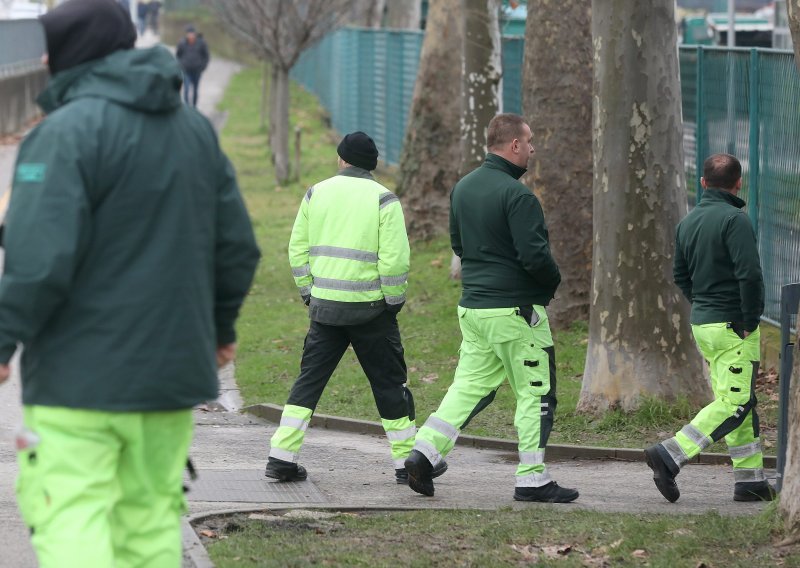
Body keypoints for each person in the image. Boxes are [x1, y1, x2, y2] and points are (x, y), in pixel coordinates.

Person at [0, 1, 261, 566]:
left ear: (71, 53)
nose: (43, 57)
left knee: (71, 515)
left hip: (79, 382)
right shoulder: (193, 131)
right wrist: (218, 329)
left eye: (50, 44)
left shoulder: (62, 135)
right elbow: (237, 247)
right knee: (149, 525)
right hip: (169, 382)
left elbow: (39, 258)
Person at [404, 113, 578, 503]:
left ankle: (424, 453)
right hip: (516, 312)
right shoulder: (519, 196)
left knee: (468, 387)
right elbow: (534, 257)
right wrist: (551, 283)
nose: (533, 148)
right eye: (529, 141)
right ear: (514, 145)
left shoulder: (463, 188)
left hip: (474, 309)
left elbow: (459, 245)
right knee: (537, 394)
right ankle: (532, 478)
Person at [266, 131, 446, 485]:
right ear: (372, 165)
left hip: (325, 311)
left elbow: (296, 249)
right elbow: (394, 261)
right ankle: (404, 461)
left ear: (341, 159)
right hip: (371, 312)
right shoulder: (384, 199)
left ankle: (281, 457)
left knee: (308, 383)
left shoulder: (316, 193)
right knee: (389, 385)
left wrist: (309, 293)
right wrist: (392, 302)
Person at [644, 154, 774, 503]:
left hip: (704, 324)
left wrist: (702, 304)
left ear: (703, 183)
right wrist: (749, 320)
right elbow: (750, 275)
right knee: (736, 402)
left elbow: (680, 276)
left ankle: (750, 481)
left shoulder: (688, 223)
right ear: (738, 184)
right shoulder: (736, 220)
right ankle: (671, 454)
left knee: (738, 400)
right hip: (734, 326)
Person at [176, 24, 210, 107]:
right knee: (186, 89)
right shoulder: (182, 43)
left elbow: (206, 56)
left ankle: (194, 107)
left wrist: (202, 67)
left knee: (195, 89)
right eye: (189, 33)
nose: (190, 35)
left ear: (195, 34)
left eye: (192, 33)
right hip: (186, 70)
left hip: (197, 70)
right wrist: (181, 65)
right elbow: (178, 55)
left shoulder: (201, 43)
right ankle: (187, 107)